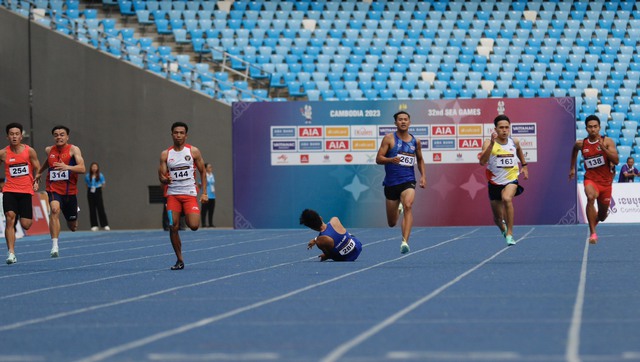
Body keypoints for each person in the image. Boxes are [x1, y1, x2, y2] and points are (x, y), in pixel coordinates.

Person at [375, 111, 426, 254]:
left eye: (405, 119)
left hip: (408, 180)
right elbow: (378, 159)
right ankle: (398, 209)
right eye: (400, 120)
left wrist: (423, 176)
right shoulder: (389, 139)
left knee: (408, 205)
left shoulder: (415, 141)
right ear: (395, 123)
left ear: (409, 122)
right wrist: (390, 160)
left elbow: (420, 159)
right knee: (392, 223)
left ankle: (405, 241)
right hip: (391, 183)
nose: (403, 122)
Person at [158, 122, 207, 270]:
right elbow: (161, 175)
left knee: (194, 226)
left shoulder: (193, 151)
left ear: (186, 135)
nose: (178, 135)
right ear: (172, 134)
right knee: (173, 226)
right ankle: (179, 259)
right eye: (176, 132)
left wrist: (204, 192)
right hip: (173, 195)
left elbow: (202, 171)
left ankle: (186, 211)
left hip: (189, 194)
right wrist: (164, 179)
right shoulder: (165, 154)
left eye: (181, 132)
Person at [35, 125, 86, 258]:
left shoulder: (74, 149)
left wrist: (67, 167)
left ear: (67, 137)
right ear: (53, 137)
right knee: (54, 210)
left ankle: (74, 210)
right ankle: (55, 245)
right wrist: (39, 172)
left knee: (73, 227)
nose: (59, 137)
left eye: (62, 134)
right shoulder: (49, 150)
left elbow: (82, 168)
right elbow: (49, 162)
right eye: (56, 135)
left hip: (70, 192)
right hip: (53, 189)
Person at [479, 114, 529, 246]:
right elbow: (482, 162)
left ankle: (510, 233)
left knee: (507, 198)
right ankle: (503, 230)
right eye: (501, 128)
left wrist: (524, 166)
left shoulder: (514, 141)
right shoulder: (488, 143)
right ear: (495, 129)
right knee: (497, 218)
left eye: (507, 127)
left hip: (511, 179)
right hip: (494, 182)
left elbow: (519, 151)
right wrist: (491, 144)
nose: (504, 130)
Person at [570, 114, 619, 244]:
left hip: (606, 183)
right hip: (591, 179)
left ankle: (596, 219)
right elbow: (574, 150)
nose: (593, 129)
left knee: (602, 217)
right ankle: (593, 233)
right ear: (586, 129)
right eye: (590, 127)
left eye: (595, 127)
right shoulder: (581, 143)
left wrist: (603, 148)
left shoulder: (607, 141)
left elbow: (616, 161)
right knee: (590, 197)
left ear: (599, 128)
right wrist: (572, 168)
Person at [1, 123, 42, 264]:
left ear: (21, 135)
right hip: (9, 190)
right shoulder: (3, 153)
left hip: (25, 191)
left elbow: (37, 168)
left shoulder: (29, 151)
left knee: (26, 224)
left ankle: (17, 217)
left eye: (17, 133)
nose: (14, 136)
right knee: (9, 217)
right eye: (11, 134)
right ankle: (11, 253)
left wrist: (36, 181)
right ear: (7, 137)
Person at [85, 162, 110, 231]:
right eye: (93, 167)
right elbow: (86, 185)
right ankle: (94, 225)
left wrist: (99, 189)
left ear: (97, 168)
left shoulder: (100, 175)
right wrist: (91, 189)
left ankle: (104, 224)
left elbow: (103, 184)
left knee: (100, 208)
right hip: (90, 191)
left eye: (95, 167)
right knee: (92, 208)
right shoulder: (87, 176)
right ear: (91, 168)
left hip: (98, 190)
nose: (94, 168)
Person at [200, 163, 216, 227]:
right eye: (209, 167)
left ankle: (210, 223)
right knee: (204, 210)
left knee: (211, 210)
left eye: (211, 167)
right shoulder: (204, 175)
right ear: (206, 168)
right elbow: (200, 184)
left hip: (212, 195)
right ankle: (203, 223)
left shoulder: (212, 175)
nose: (210, 168)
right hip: (206, 195)